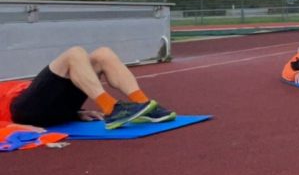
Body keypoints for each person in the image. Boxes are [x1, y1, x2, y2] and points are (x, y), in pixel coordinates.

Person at [0, 46, 176, 133]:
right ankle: (111, 108)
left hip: (48, 109)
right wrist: (14, 128)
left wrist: (74, 113)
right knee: (74, 53)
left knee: (102, 54)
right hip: (21, 112)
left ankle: (144, 105)